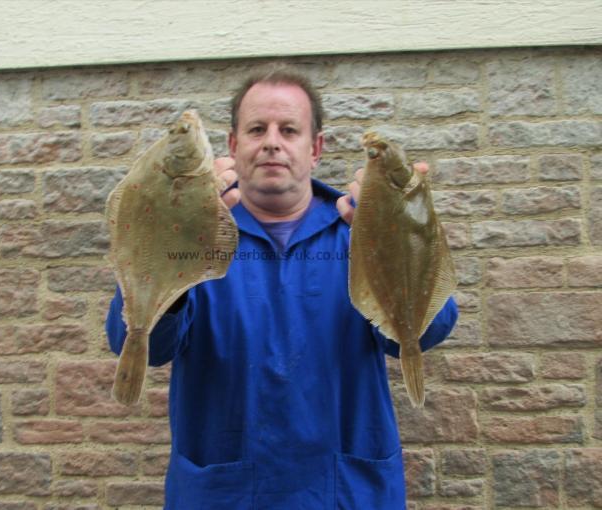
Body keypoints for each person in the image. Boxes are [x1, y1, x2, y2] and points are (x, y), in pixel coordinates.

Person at [106, 65, 458, 509]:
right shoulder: (196, 236)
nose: (272, 141)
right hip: (225, 496)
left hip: (344, 492)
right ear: (234, 146)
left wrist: (398, 234)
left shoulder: (356, 230)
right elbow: (139, 346)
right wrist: (180, 243)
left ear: (315, 149)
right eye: (257, 129)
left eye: (288, 129)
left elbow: (427, 333)